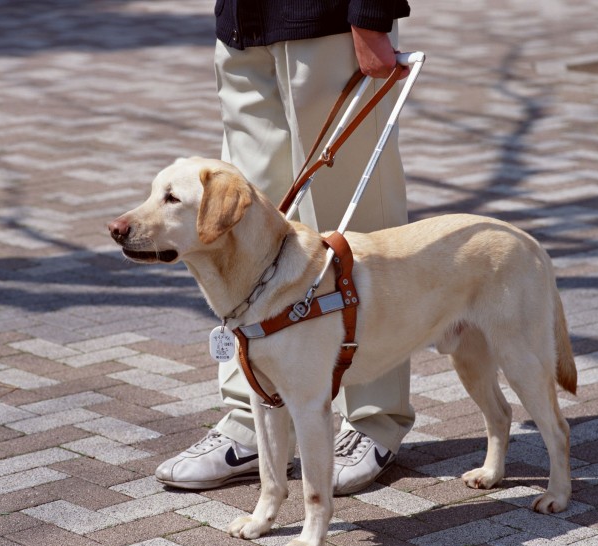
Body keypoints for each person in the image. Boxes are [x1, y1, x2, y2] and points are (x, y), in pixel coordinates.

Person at [156, 0, 414, 495]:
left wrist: (372, 13)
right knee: (236, 225)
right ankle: (254, 419)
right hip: (243, 22)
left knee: (356, 229)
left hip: (331, 22)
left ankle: (374, 417)